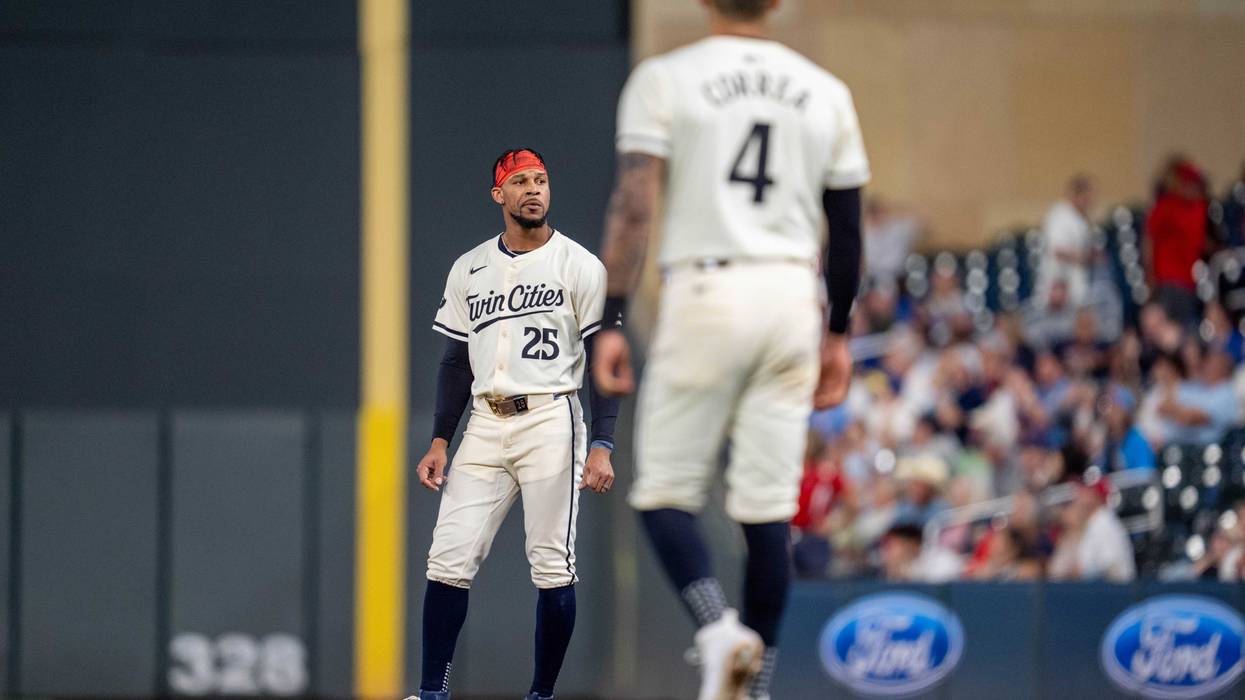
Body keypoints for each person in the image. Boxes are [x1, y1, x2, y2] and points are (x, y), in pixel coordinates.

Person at [592, 0, 870, 696]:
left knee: (662, 493)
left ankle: (718, 631)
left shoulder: (665, 78)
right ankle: (760, 680)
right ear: (776, 4)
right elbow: (848, 230)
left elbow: (634, 207)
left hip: (706, 289)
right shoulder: (825, 91)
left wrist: (611, 319)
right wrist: (836, 332)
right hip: (789, 298)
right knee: (766, 512)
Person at [409, 149, 618, 700]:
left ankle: (540, 696)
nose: (534, 190)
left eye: (542, 180)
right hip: (484, 419)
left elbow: (603, 363)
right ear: (498, 195)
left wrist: (602, 442)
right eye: (520, 181)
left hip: (551, 415)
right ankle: (432, 692)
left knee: (552, 564)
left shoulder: (579, 264)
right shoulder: (470, 267)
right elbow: (455, 361)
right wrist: (439, 440)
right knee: (447, 558)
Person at [1034, 174, 1096, 309]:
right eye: (1086, 197)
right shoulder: (1061, 215)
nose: (1090, 201)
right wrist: (1086, 257)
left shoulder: (1080, 217)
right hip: (1059, 281)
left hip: (1075, 282)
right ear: (1076, 195)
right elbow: (1057, 250)